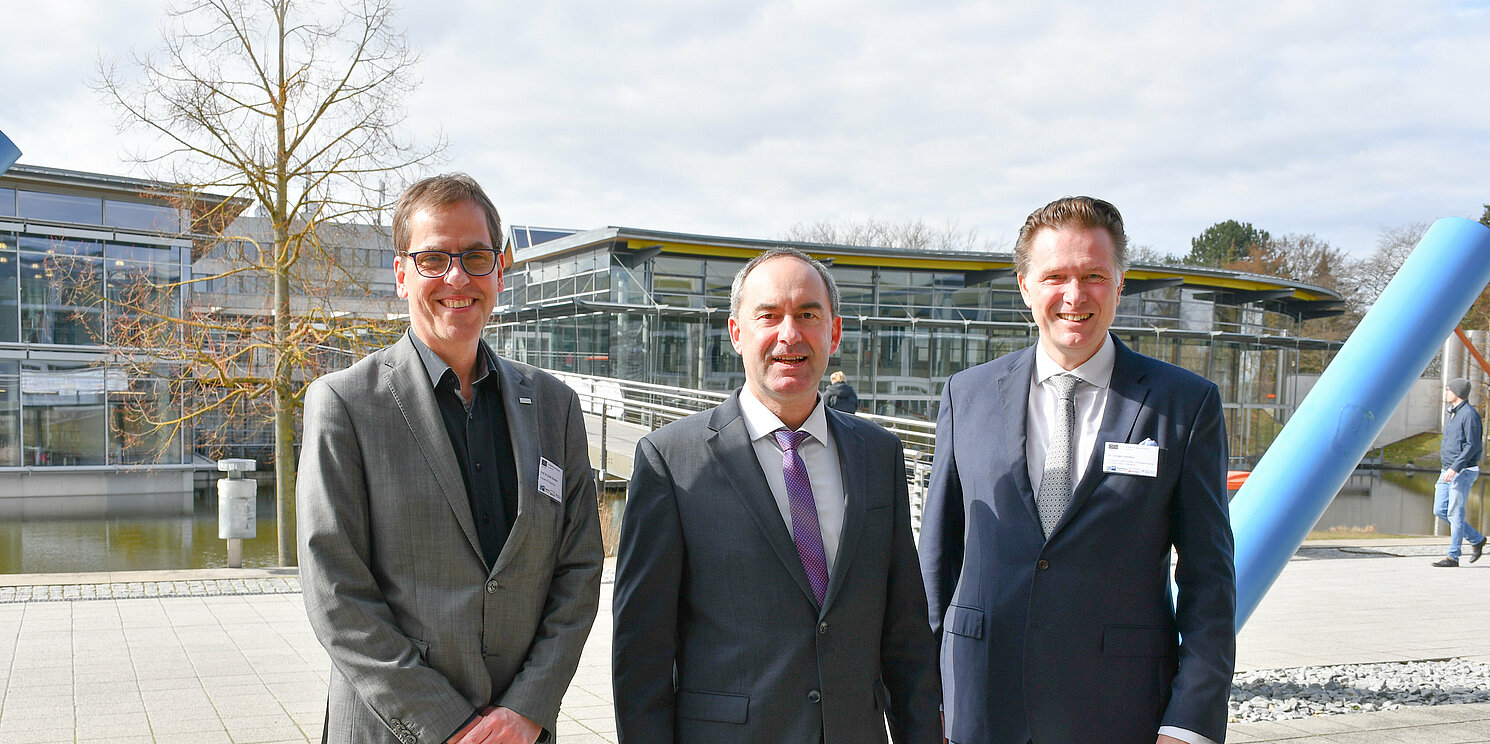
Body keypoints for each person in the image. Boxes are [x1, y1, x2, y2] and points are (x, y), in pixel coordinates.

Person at [298, 173, 603, 744]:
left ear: (500, 271)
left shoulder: (555, 408)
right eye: (433, 259)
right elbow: (335, 592)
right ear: (401, 275)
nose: (457, 277)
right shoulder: (344, 404)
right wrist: (451, 727)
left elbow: (579, 570)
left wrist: (527, 708)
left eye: (475, 256)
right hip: (395, 729)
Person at [918, 197, 1236, 744]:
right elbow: (937, 559)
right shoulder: (965, 395)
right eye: (1055, 276)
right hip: (980, 704)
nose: (1073, 295)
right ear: (1024, 285)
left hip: (1119, 708)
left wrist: (1189, 722)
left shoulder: (1183, 404)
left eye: (1093, 275)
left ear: (1119, 284)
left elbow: (1209, 576)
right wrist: (925, 701)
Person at [612, 247, 941, 743]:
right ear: (737, 332)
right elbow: (643, 652)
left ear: (834, 331)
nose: (790, 334)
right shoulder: (671, 461)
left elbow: (905, 633)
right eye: (769, 316)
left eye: (808, 314)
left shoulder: (879, 455)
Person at [1432, 377, 1485, 567]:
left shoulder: (1469, 415)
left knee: (1455, 513)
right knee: (1440, 509)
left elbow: (1473, 445)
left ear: (1457, 392)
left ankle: (1453, 556)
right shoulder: (1453, 413)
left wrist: (1455, 467)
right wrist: (1448, 467)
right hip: (1446, 470)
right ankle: (1477, 539)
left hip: (1462, 471)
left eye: (1448, 389)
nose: (1446, 392)